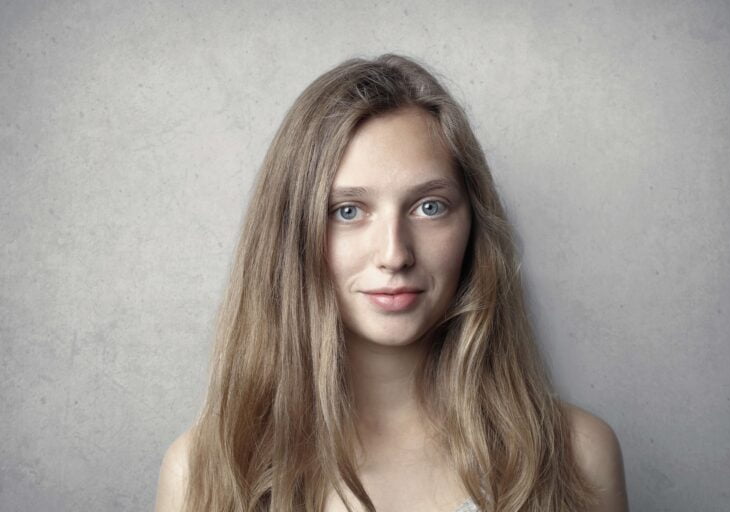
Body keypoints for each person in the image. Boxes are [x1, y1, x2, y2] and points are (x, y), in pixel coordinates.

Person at [154, 54, 628, 512]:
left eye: (429, 207)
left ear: (474, 226)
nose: (394, 254)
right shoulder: (203, 472)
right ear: (290, 235)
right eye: (347, 211)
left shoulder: (579, 456)